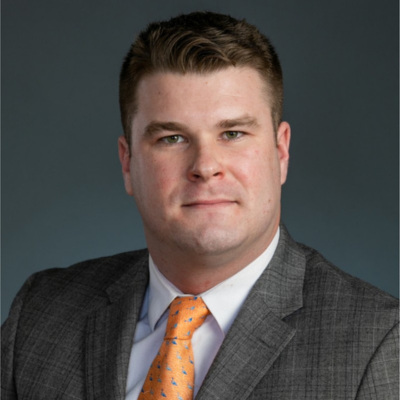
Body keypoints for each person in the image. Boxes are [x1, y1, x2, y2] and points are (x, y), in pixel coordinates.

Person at [2, 11, 398, 400]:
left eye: (233, 133)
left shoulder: (377, 345)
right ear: (127, 163)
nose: (205, 167)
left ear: (280, 152)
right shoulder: (40, 315)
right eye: (172, 138)